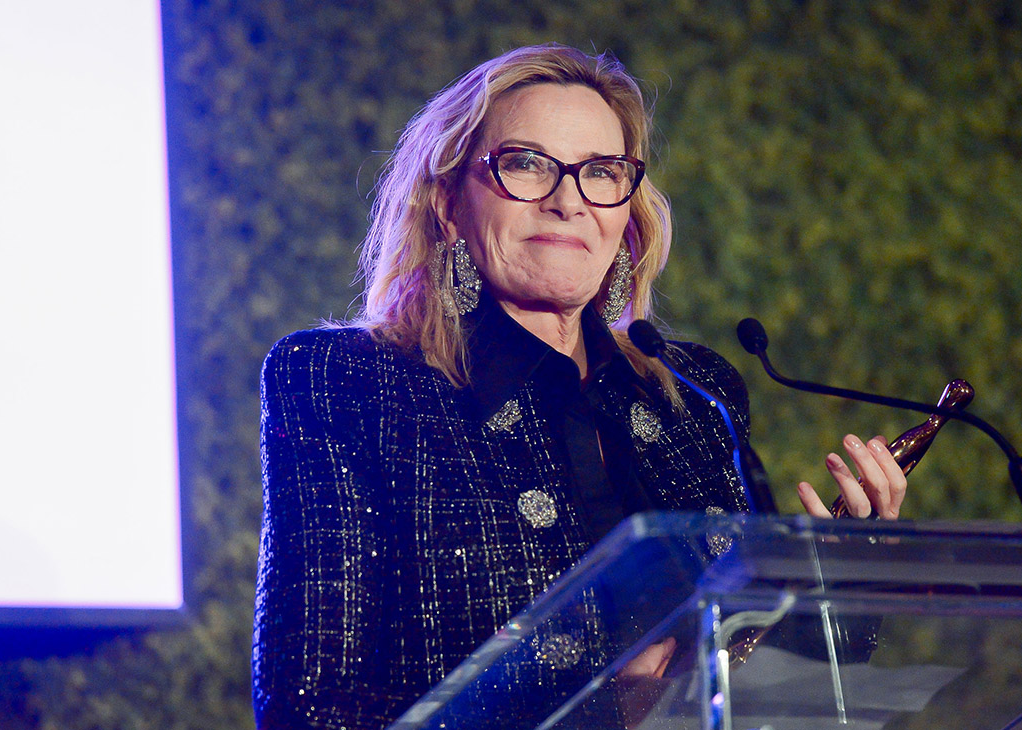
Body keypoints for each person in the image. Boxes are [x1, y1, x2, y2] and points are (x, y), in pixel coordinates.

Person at [253, 44, 909, 730]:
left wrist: (848, 579)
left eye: (601, 172)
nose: (569, 201)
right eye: (526, 164)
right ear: (448, 202)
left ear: (628, 208)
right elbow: (312, 709)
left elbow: (782, 690)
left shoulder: (694, 394)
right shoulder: (347, 382)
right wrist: (604, 710)